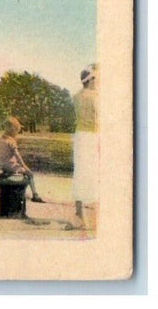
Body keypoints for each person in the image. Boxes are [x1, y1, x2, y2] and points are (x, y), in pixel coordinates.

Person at [73, 64, 99, 226]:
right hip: (93, 136)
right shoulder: (95, 97)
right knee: (95, 172)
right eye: (95, 78)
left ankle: (79, 213)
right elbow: (98, 118)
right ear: (90, 80)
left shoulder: (76, 96)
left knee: (80, 172)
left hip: (80, 135)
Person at [0, 116, 44, 203]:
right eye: (17, 131)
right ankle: (35, 194)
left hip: (4, 166)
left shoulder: (1, 139)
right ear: (13, 130)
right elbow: (17, 155)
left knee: (22, 173)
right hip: (12, 166)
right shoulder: (11, 141)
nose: (17, 134)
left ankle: (23, 192)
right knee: (30, 174)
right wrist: (25, 166)